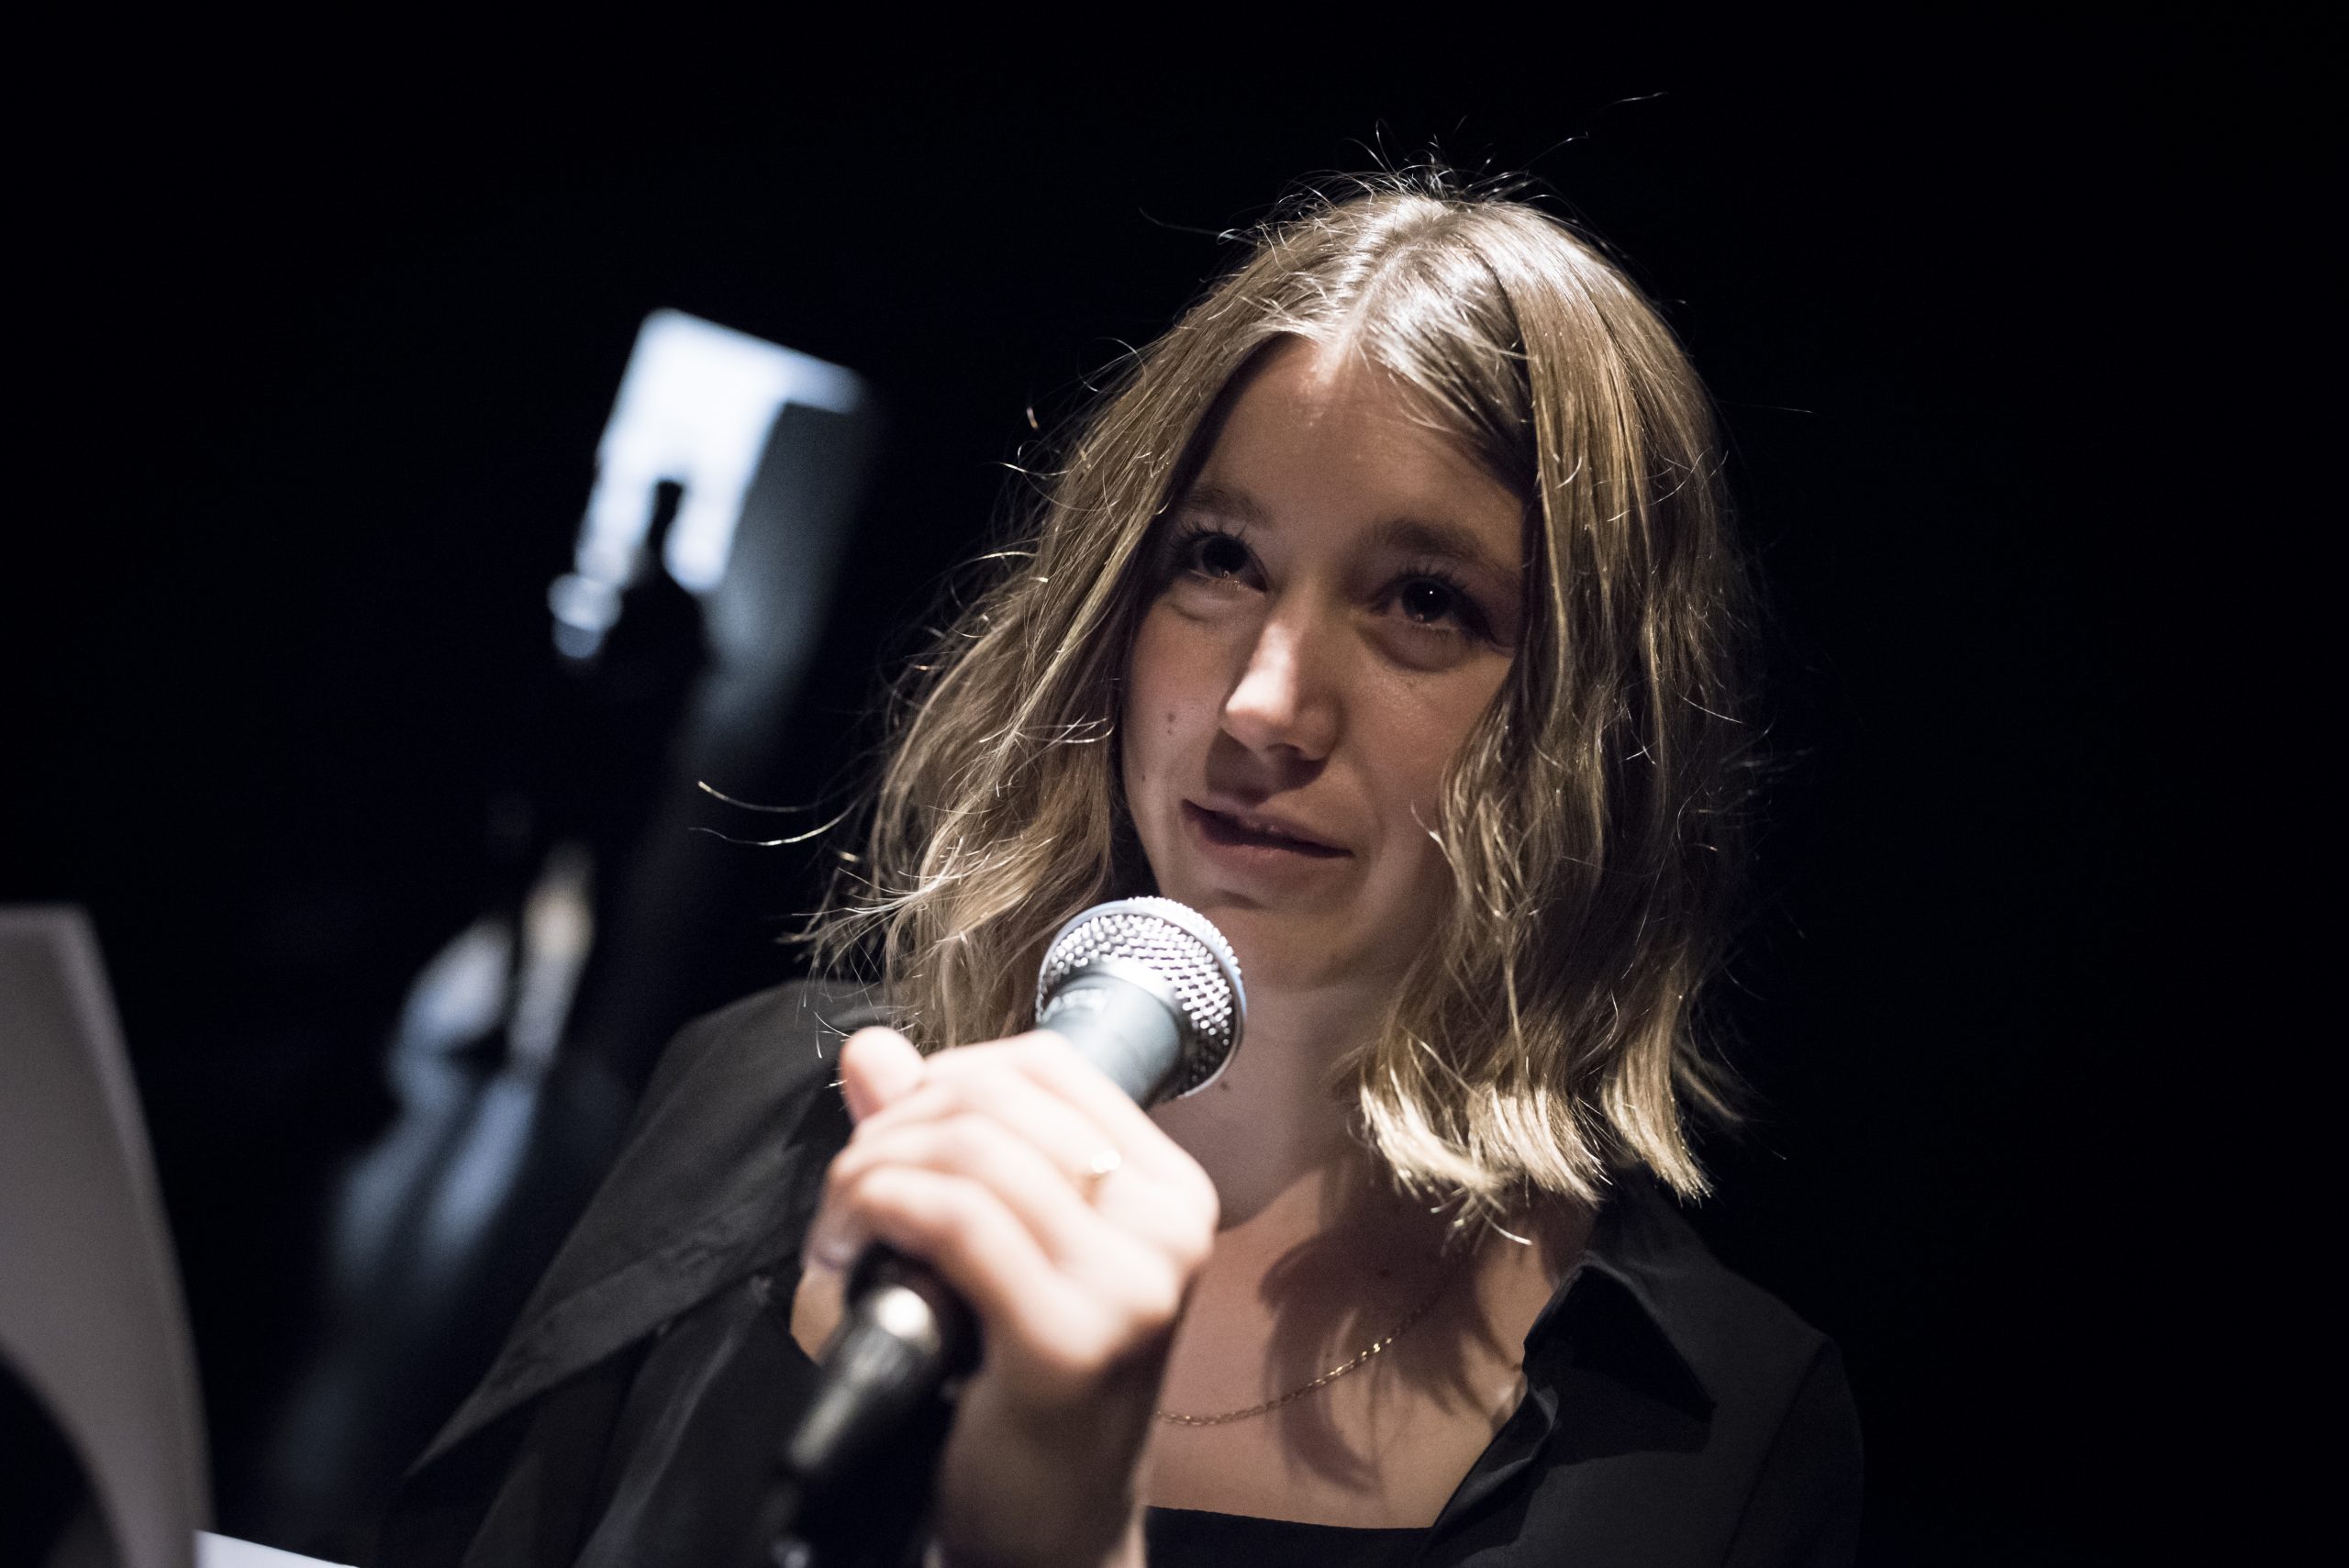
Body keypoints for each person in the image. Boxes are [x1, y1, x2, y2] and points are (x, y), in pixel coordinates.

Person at [380, 174, 1862, 1568]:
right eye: (1218, 558)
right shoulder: (755, 1097)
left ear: (1602, 726)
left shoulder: (1713, 1428)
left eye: (1425, 599)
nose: (1264, 706)